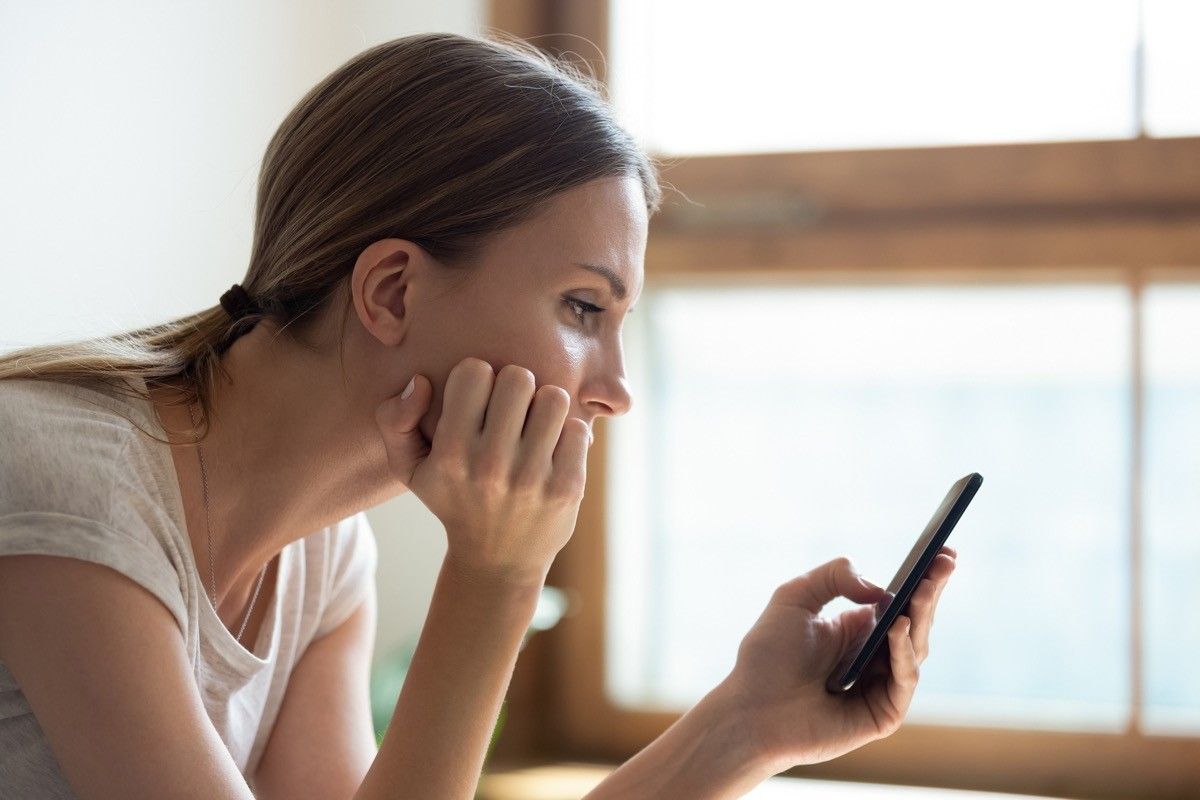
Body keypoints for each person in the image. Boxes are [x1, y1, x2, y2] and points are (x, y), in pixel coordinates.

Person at [0, 31, 956, 800]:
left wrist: (744, 729)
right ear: (392, 291)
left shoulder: (326, 554)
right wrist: (497, 576)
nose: (615, 387)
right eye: (584, 309)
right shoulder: (69, 486)